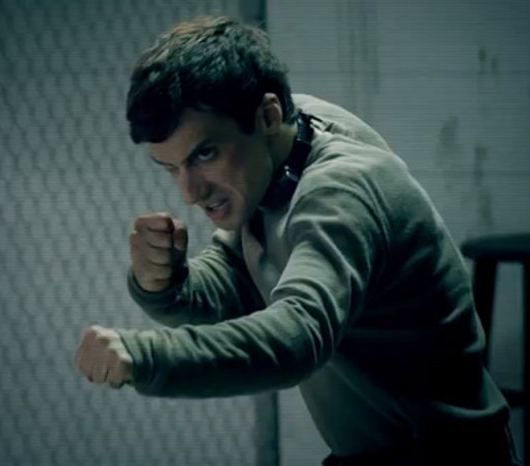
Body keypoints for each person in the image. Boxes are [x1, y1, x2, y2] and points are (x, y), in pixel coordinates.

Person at [73, 16, 520, 465]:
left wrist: (147, 356)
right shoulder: (284, 143)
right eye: (171, 168)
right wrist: (165, 282)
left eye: (204, 154)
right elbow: (233, 283)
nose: (190, 192)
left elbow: (298, 336)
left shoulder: (341, 190)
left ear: (268, 116)